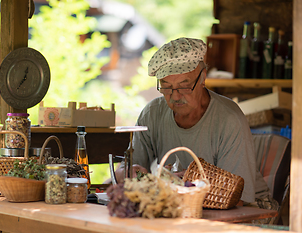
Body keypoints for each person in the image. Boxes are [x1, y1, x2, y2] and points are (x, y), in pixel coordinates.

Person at [113, 37, 273, 207]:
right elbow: (128, 168)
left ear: (202, 78)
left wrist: (187, 185)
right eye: (166, 86)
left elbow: (235, 198)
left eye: (184, 85)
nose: (175, 96)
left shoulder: (229, 119)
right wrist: (125, 173)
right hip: (183, 208)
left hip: (247, 211)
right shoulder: (152, 113)